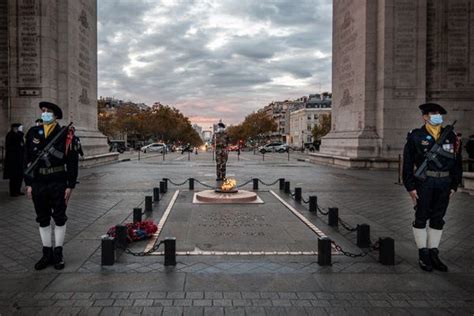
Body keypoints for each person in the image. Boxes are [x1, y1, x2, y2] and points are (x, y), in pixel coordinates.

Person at [402, 103, 463, 272]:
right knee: (421, 217)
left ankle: (434, 252)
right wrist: (410, 187)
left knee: (438, 218)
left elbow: (457, 162)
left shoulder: (450, 136)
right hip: (424, 183)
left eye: (439, 114)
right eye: (433, 114)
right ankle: (423, 253)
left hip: (444, 183)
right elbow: (407, 164)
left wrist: (454, 185)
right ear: (425, 117)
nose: (437, 116)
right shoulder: (415, 136)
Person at [24, 101, 80, 270]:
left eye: (48, 111)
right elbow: (27, 159)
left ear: (55, 116)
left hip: (58, 180)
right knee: (42, 218)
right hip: (39, 181)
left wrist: (70, 185)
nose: (45, 114)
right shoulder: (33, 132)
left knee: (60, 217)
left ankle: (58, 253)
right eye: (43, 111)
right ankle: (46, 253)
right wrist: (29, 184)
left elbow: (72, 161)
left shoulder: (65, 133)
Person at [3, 123, 25, 197]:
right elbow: (10, 146)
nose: (20, 128)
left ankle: (18, 190)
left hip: (19, 159)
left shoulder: (19, 134)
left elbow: (22, 144)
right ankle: (13, 192)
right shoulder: (10, 135)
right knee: (13, 177)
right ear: (15, 128)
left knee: (19, 176)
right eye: (19, 127)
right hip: (13, 159)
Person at [214, 121, 229, 188]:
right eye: (219, 127)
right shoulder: (216, 134)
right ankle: (220, 176)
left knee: (223, 163)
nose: (220, 128)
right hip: (221, 150)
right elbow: (212, 142)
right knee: (219, 163)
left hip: (222, 150)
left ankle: (222, 176)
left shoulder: (225, 134)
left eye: (220, 127)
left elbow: (228, 141)